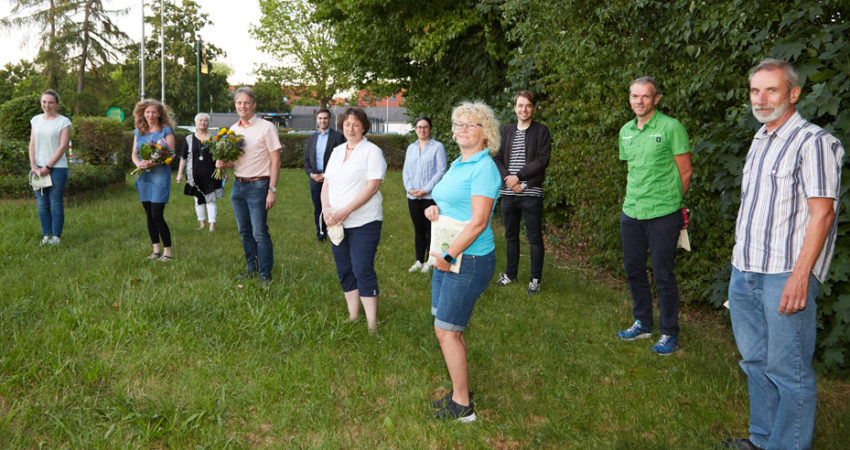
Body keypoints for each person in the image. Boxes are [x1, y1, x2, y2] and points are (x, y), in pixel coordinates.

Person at [722, 59, 844, 450]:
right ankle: (762, 440)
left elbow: (822, 214)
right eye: (755, 90)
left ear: (793, 94)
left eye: (771, 90)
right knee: (755, 363)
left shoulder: (815, 142)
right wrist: (738, 264)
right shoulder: (760, 139)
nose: (761, 99)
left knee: (788, 371)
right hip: (746, 271)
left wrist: (800, 276)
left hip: (785, 275)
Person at [426, 101, 502, 423]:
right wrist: (435, 210)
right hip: (450, 255)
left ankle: (463, 408)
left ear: (486, 134)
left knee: (446, 330)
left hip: (467, 259)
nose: (462, 129)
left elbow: (479, 222)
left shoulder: (484, 168)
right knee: (446, 328)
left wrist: (447, 255)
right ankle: (460, 393)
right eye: (458, 124)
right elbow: (451, 203)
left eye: (470, 124)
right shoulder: (459, 163)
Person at [615, 77, 692, 355]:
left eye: (645, 96)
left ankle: (669, 332)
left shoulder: (672, 128)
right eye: (634, 96)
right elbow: (634, 170)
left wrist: (672, 203)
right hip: (632, 212)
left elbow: (685, 172)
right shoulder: (625, 131)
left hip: (663, 214)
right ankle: (643, 323)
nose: (639, 101)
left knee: (663, 274)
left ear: (656, 99)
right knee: (634, 269)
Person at [321, 107, 387, 332]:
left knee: (362, 268)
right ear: (342, 126)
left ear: (363, 127)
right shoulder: (338, 151)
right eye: (347, 124)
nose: (351, 128)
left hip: (364, 221)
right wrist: (327, 210)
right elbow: (326, 183)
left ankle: (371, 324)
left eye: (356, 124)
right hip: (337, 222)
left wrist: (346, 210)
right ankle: (353, 314)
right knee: (344, 269)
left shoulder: (372, 152)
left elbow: (373, 186)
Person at [215, 87, 281, 285]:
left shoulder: (266, 127)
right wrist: (223, 163)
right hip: (238, 186)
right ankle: (252, 269)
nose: (242, 106)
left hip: (259, 186)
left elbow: (275, 160)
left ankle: (265, 274)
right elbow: (235, 161)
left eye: (246, 102)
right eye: (238, 103)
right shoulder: (233, 130)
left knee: (259, 233)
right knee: (244, 231)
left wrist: (272, 189)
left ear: (253, 105)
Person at [493, 90, 551, 294]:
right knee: (510, 235)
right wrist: (509, 179)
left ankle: (535, 279)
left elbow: (542, 160)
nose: (523, 109)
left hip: (531, 193)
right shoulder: (506, 131)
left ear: (533, 108)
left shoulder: (541, 131)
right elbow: (497, 158)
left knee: (534, 237)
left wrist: (519, 177)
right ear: (514, 108)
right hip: (509, 193)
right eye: (520, 105)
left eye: (527, 105)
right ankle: (511, 274)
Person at [131, 99, 177, 262]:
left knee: (157, 215)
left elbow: (170, 155)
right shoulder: (139, 131)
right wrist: (139, 164)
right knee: (149, 215)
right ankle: (156, 251)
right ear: (143, 113)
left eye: (154, 112)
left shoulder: (166, 131)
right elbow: (134, 154)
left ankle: (168, 253)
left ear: (159, 114)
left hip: (159, 177)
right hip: (143, 177)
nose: (150, 115)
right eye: (147, 112)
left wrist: (153, 162)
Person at [402, 116, 447, 273]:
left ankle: (430, 260)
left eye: (425, 127)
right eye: (419, 127)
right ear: (415, 130)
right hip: (413, 196)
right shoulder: (411, 148)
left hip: (430, 197)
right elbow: (406, 170)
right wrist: (409, 188)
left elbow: (441, 170)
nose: (422, 130)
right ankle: (419, 260)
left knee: (431, 229)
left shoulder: (438, 147)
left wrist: (426, 189)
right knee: (418, 229)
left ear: (430, 129)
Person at [28, 89, 71, 246]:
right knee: (42, 203)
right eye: (44, 102)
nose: (47, 105)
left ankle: (56, 237)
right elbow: (32, 143)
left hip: (57, 168)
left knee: (55, 202)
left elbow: (62, 147)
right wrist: (33, 165)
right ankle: (46, 235)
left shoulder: (63, 122)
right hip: (37, 168)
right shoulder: (35, 120)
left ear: (57, 104)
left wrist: (48, 166)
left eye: (51, 102)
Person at [304, 108, 345, 241]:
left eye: (325, 118)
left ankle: (337, 232)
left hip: (332, 180)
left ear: (329, 120)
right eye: (320, 118)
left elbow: (342, 159)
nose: (323, 120)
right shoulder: (312, 138)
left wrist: (328, 175)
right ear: (317, 120)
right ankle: (321, 234)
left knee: (335, 206)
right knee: (318, 208)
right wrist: (311, 174)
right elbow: (306, 160)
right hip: (315, 180)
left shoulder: (338, 137)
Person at [176, 113, 222, 232]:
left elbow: (220, 157)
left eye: (205, 121)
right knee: (198, 199)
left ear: (208, 123)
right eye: (200, 121)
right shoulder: (189, 139)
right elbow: (183, 158)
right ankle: (202, 224)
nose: (203, 123)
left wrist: (223, 171)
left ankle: (212, 225)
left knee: (211, 199)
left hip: (211, 173)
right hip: (194, 174)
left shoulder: (214, 138)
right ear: (196, 123)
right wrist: (179, 173)